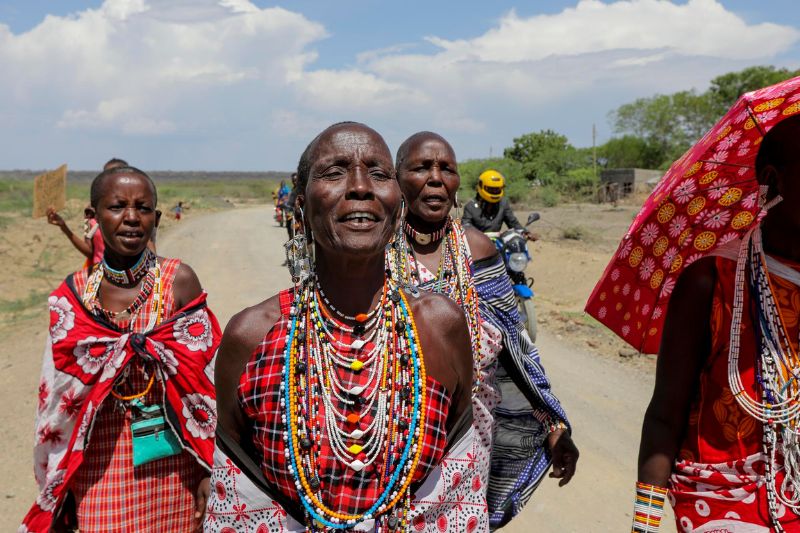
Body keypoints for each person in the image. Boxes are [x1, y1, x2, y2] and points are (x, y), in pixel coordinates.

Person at [206, 122, 481, 531]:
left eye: (379, 173)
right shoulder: (251, 337)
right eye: (334, 172)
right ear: (299, 204)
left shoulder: (441, 327)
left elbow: (457, 488)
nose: (360, 187)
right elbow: (240, 492)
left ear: (398, 201)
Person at [392, 131, 578, 529]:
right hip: (387, 441)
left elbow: (516, 349)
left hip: (467, 436)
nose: (436, 178)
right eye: (421, 167)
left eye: (447, 169)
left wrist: (553, 424)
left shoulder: (478, 249)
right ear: (397, 179)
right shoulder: (373, 251)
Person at [22, 166, 221, 532]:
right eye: (117, 207)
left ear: (156, 218)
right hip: (99, 464)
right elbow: (54, 402)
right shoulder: (74, 296)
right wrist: (59, 484)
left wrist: (210, 471)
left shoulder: (178, 281)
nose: (131, 218)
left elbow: (207, 385)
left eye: (143, 208)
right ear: (93, 217)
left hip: (175, 465)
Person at [635, 116, 800, 530]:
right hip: (726, 506)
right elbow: (665, 415)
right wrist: (644, 523)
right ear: (773, 179)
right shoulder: (711, 281)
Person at [46, 158, 129, 266]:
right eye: (106, 176)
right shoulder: (90, 212)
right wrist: (64, 227)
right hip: (99, 276)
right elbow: (90, 251)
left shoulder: (136, 211)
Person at [461, 169, 535, 240]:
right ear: (481, 186)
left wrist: (526, 233)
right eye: (490, 189)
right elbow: (466, 229)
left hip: (498, 245)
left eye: (497, 189)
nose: (494, 191)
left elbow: (513, 223)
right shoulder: (470, 207)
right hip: (478, 246)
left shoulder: (503, 203)